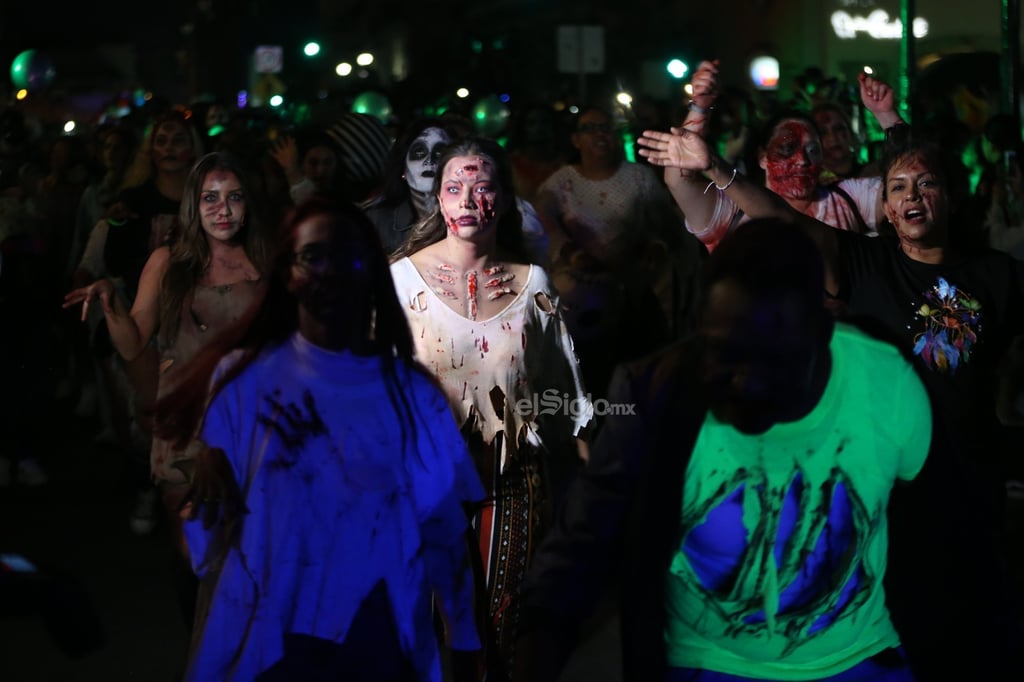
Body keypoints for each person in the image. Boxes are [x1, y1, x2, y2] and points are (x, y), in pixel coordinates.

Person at [637, 111, 1024, 680]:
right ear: (886, 210)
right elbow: (780, 218)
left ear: (952, 197)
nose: (912, 195)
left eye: (926, 183)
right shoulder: (864, 262)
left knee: (973, 636)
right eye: (897, 187)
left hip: (970, 481)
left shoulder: (1000, 277)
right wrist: (716, 167)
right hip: (881, 489)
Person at [514, 217, 933, 682]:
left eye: (770, 358)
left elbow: (949, 537)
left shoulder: (884, 381)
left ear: (822, 334)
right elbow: (583, 541)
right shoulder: (657, 393)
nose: (744, 380)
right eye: (723, 352)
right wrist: (538, 647)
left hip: (860, 657)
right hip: (707, 661)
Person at [160, 197, 485, 681]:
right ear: (288, 272)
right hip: (273, 640)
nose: (330, 271)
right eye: (313, 256)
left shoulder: (412, 393)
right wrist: (206, 508)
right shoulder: (243, 381)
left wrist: (465, 637)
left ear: (370, 271)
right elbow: (206, 550)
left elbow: (444, 532)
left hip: (379, 637)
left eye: (348, 255)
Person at [389, 136, 593, 680]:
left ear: (502, 201)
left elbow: (564, 399)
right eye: (453, 188)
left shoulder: (532, 286)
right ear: (438, 201)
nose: (466, 200)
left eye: (482, 188)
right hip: (423, 488)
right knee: (427, 631)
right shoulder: (400, 282)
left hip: (513, 487)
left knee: (502, 633)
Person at [63, 151, 275, 627]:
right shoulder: (168, 263)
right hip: (187, 425)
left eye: (234, 197)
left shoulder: (266, 262)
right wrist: (111, 304)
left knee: (254, 555)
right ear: (192, 206)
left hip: (255, 426)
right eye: (210, 198)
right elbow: (134, 339)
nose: (223, 209)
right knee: (197, 561)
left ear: (249, 204)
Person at [657, 61, 899, 254]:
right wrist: (699, 107)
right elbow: (678, 181)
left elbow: (909, 184)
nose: (802, 160)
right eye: (787, 148)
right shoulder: (732, 211)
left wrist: (886, 115)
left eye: (812, 150)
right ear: (762, 157)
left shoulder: (849, 197)